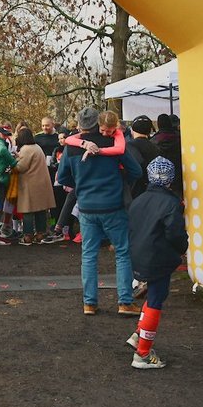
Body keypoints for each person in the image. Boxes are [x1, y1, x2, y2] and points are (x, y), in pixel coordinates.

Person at [56, 108, 142, 316]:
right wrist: (122, 180)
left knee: (89, 255)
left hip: (86, 207)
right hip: (113, 206)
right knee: (122, 252)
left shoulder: (72, 148)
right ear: (99, 123)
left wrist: (80, 184)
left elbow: (62, 177)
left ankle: (90, 303)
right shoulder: (113, 142)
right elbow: (136, 171)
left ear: (80, 125)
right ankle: (125, 302)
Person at [126, 156, 188, 369]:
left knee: (154, 295)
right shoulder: (172, 204)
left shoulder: (139, 200)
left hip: (138, 255)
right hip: (158, 258)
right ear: (171, 179)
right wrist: (183, 248)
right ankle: (142, 354)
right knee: (155, 300)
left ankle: (138, 334)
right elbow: (175, 234)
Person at [13, 128, 56, 245]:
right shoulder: (37, 147)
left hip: (29, 183)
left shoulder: (26, 149)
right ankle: (40, 234)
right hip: (41, 183)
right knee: (40, 210)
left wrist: (13, 161)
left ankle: (28, 235)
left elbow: (21, 167)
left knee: (28, 210)